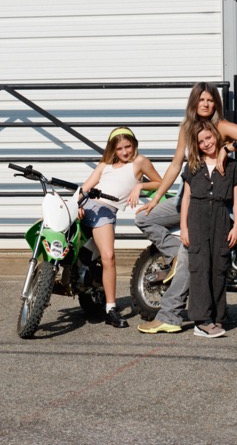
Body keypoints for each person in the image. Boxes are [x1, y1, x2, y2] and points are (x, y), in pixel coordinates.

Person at [130, 82, 237, 334]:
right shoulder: (187, 128)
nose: (206, 104)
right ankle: (177, 251)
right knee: (144, 219)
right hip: (186, 198)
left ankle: (169, 314)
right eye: (201, 100)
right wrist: (156, 198)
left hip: (210, 207)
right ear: (194, 102)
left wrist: (228, 147)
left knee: (190, 261)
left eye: (210, 100)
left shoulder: (221, 127)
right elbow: (174, 165)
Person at [79, 126, 162, 328]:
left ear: (134, 145)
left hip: (105, 211)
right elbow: (84, 188)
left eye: (128, 146)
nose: (125, 152)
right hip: (85, 206)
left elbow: (160, 182)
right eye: (119, 148)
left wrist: (140, 185)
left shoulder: (140, 162)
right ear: (112, 150)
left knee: (108, 256)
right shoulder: (103, 166)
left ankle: (110, 309)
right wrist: (77, 203)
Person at [180, 118, 237, 338]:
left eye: (208, 137)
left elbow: (236, 199)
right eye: (201, 141)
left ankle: (217, 316)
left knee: (219, 267)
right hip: (197, 217)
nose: (206, 143)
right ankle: (201, 320)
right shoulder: (193, 166)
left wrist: (236, 228)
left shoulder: (232, 166)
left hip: (221, 218)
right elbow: (186, 198)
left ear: (216, 136)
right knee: (200, 268)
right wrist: (184, 228)